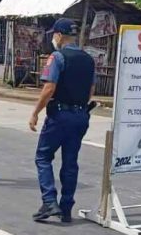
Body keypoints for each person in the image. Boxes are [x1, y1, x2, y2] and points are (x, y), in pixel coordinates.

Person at [29, 18, 95, 223]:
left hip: (60, 115)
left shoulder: (57, 57)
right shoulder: (88, 59)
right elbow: (91, 90)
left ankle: (49, 201)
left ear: (58, 35)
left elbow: (49, 88)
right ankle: (66, 207)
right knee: (70, 161)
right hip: (81, 116)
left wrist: (35, 112)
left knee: (43, 156)